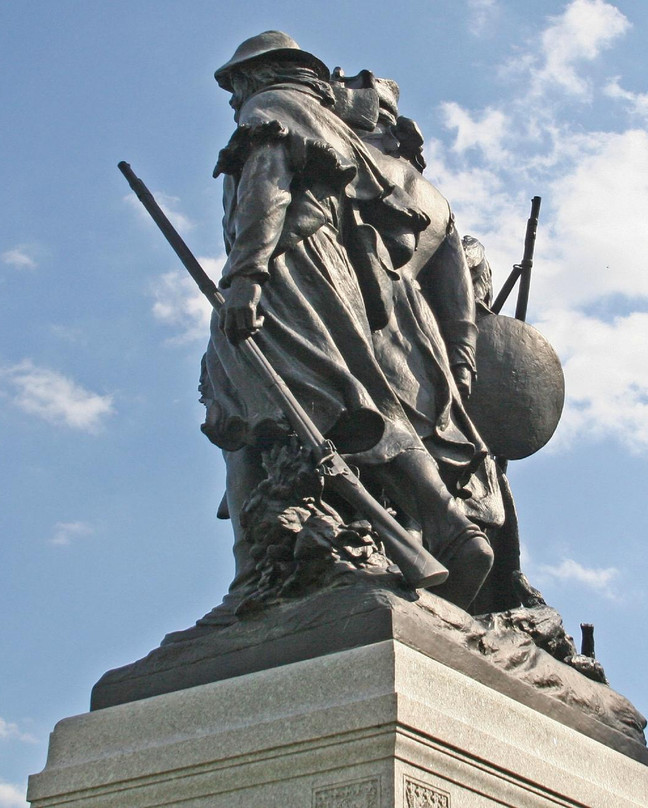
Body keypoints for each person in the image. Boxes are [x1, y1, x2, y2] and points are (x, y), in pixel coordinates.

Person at [199, 31, 495, 618]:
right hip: (337, 277)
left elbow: (267, 187)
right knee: (348, 393)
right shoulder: (336, 131)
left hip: (285, 269)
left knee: (249, 414)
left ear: (258, 76)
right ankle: (446, 524)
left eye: (235, 85)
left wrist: (246, 278)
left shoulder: (272, 109)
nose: (234, 100)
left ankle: (252, 566)